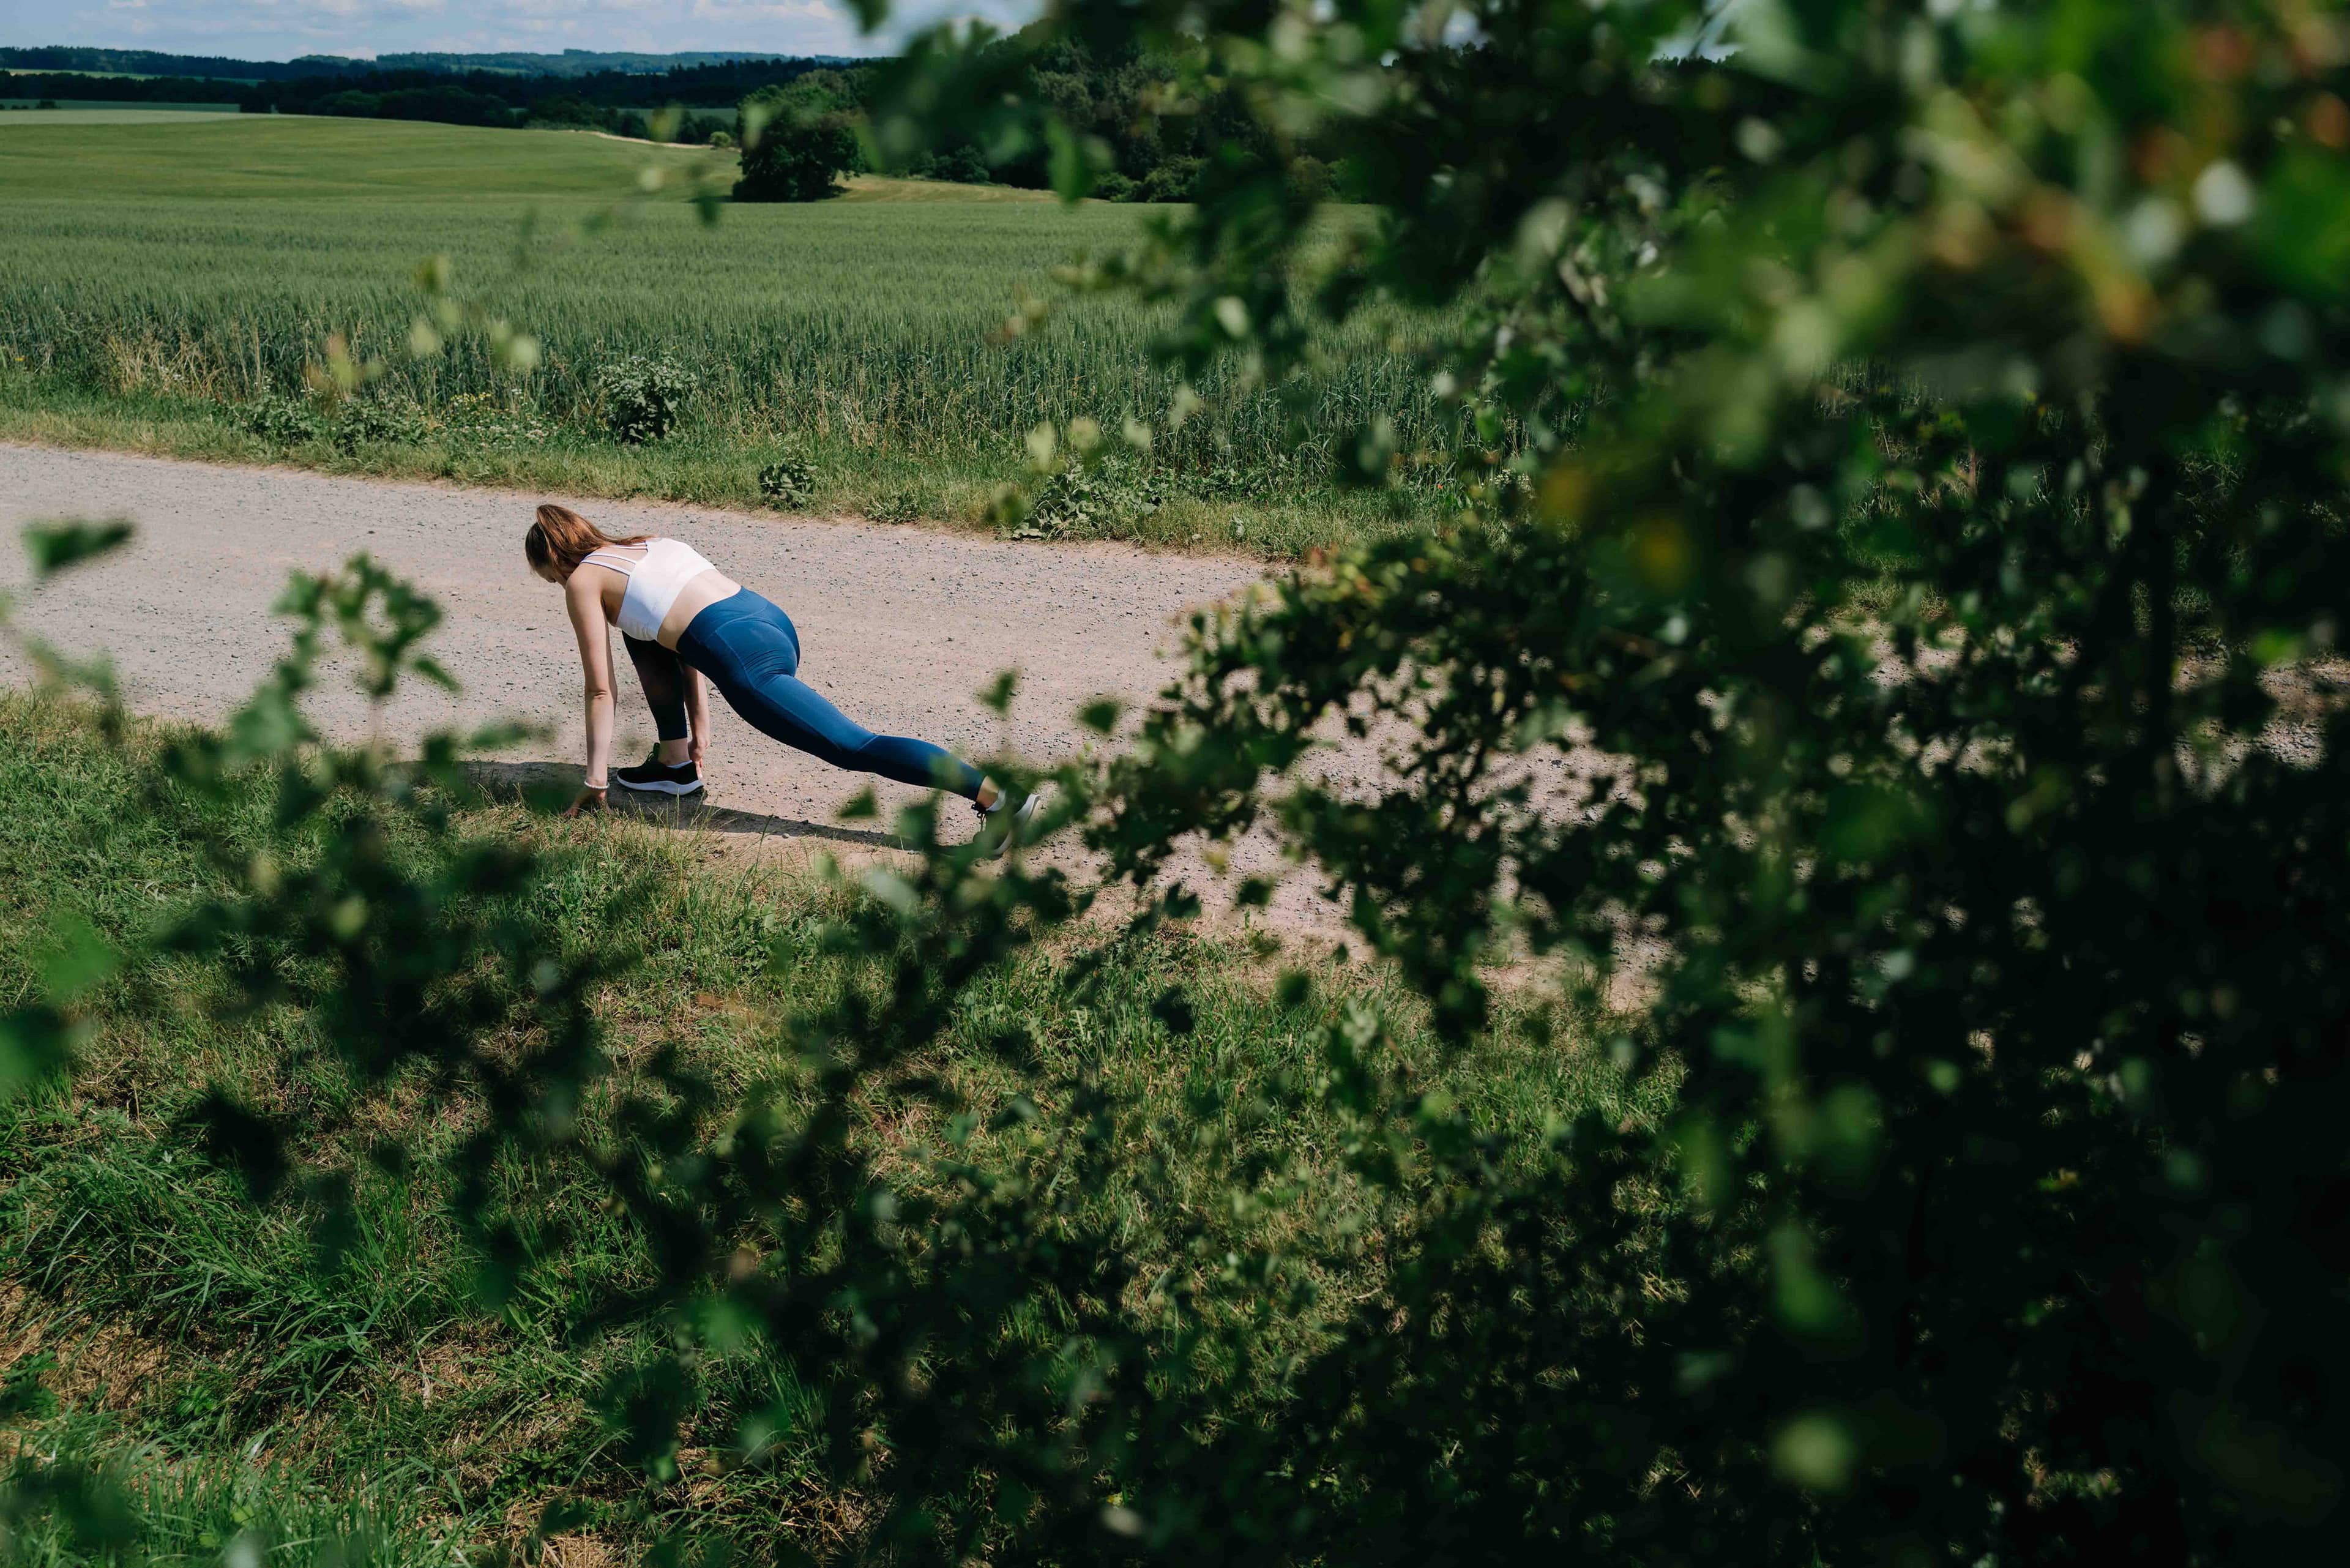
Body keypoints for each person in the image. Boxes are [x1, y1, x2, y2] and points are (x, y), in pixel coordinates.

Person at [524, 503, 1039, 853]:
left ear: (554, 562)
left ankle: (999, 799)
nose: (557, 586)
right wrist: (699, 725)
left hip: (742, 653)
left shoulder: (583, 580)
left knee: (852, 746)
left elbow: (600, 689)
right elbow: (674, 631)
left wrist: (595, 781)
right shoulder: (648, 546)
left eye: (550, 580)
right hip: (768, 622)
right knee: (637, 628)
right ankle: (675, 765)